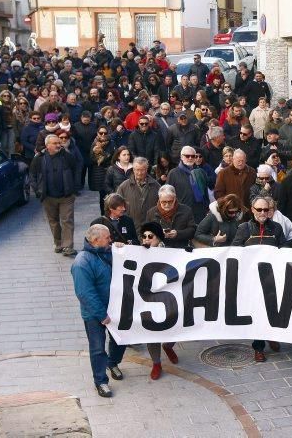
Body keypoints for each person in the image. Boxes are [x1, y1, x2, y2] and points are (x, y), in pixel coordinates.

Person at [71, 224, 126, 398]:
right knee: (97, 348)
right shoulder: (82, 262)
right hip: (95, 314)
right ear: (95, 241)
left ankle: (113, 363)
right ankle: (101, 381)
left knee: (120, 340)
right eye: (108, 238)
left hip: (115, 307)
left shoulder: (108, 251)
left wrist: (121, 249)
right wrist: (102, 315)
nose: (111, 240)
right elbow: (85, 293)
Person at [232, 196, 285, 362]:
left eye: (266, 210)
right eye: (259, 209)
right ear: (252, 210)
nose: (262, 212)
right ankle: (259, 347)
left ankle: (272, 335)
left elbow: (283, 248)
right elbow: (235, 250)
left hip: (272, 277)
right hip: (252, 279)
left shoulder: (276, 227)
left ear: (270, 211)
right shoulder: (243, 228)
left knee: (273, 309)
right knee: (258, 312)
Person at [137, 221, 180, 380]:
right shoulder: (137, 252)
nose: (146, 240)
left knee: (178, 327)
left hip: (169, 298)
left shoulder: (170, 252)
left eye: (150, 236)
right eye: (144, 236)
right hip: (148, 299)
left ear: (159, 238)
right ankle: (156, 363)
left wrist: (189, 254)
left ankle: (168, 346)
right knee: (151, 331)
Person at [30, 134, 83, 256]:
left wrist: (75, 187)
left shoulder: (67, 155)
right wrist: (37, 191)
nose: (58, 145)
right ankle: (58, 243)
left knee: (67, 220)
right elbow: (32, 174)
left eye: (59, 143)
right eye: (55, 143)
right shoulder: (39, 158)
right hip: (48, 197)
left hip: (66, 196)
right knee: (53, 221)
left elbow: (76, 169)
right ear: (47, 145)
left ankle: (68, 246)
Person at [145, 184, 197, 249]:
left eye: (170, 202)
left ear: (175, 199)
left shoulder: (186, 210)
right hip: (158, 250)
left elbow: (192, 231)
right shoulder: (151, 213)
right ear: (159, 199)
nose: (167, 205)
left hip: (181, 249)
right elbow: (145, 232)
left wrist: (178, 234)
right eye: (164, 202)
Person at [167, 145, 211, 222]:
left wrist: (207, 208)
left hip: (199, 212)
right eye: (187, 156)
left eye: (193, 156)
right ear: (181, 157)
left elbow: (205, 192)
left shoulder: (200, 172)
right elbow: (168, 194)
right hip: (181, 213)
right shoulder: (173, 173)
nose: (190, 158)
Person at [116, 157, 161, 230]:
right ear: (133, 170)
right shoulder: (123, 187)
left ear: (146, 169)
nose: (139, 173)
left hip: (151, 228)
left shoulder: (156, 186)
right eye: (137, 170)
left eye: (142, 170)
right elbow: (117, 206)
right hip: (131, 227)